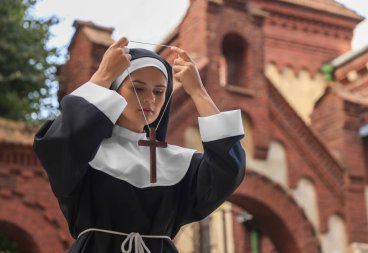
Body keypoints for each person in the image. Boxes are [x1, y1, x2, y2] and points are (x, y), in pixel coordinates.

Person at [33, 37, 246, 253]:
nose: (150, 100)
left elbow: (229, 170)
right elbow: (58, 145)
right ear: (115, 90)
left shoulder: (180, 163)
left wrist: (198, 92)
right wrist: (103, 76)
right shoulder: (86, 152)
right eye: (138, 88)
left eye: (159, 91)